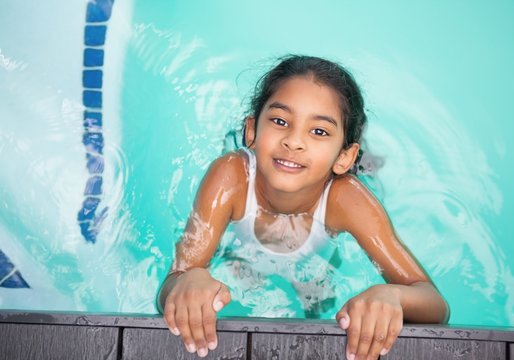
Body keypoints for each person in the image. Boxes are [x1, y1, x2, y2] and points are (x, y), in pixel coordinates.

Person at [158, 55, 449, 360]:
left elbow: (435, 303)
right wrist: (186, 281)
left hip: (320, 237)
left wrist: (392, 295)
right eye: (280, 121)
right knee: (233, 270)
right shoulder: (231, 177)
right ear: (253, 130)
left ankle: (363, 159)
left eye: (319, 131)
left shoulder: (346, 199)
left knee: (320, 303)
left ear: (344, 158)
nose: (293, 141)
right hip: (248, 226)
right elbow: (172, 282)